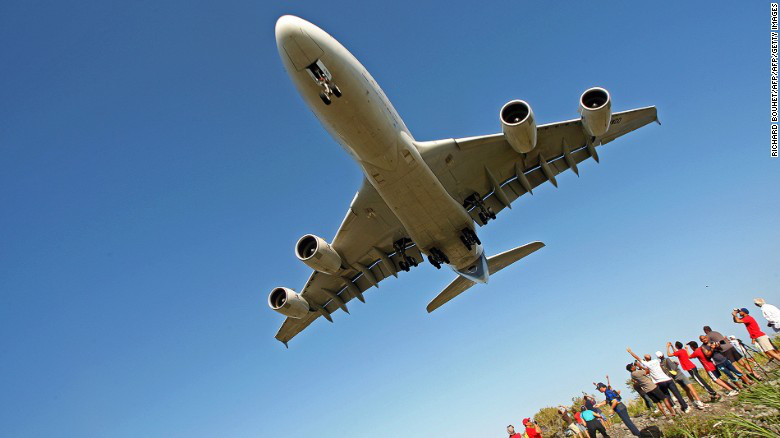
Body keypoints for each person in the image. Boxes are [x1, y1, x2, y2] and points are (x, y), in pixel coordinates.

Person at [627, 347, 690, 413]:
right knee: (677, 394)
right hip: (667, 379)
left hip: (660, 382)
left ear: (645, 359)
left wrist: (631, 352)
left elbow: (637, 358)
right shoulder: (657, 361)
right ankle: (685, 407)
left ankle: (674, 407)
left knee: (667, 396)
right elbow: (662, 359)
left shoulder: (647, 364)